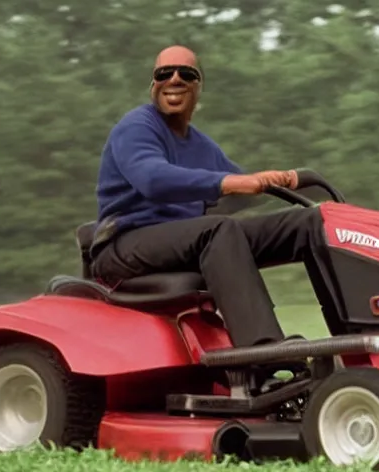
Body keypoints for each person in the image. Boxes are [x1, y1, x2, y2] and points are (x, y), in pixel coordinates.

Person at [90, 45, 325, 348]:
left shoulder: (201, 146)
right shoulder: (137, 127)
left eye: (186, 74)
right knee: (218, 229)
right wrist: (233, 181)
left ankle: (355, 335)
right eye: (165, 73)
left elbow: (241, 191)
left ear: (198, 87)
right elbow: (152, 179)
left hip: (183, 242)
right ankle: (261, 349)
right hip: (124, 244)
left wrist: (288, 183)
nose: (175, 79)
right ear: (153, 85)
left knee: (306, 224)